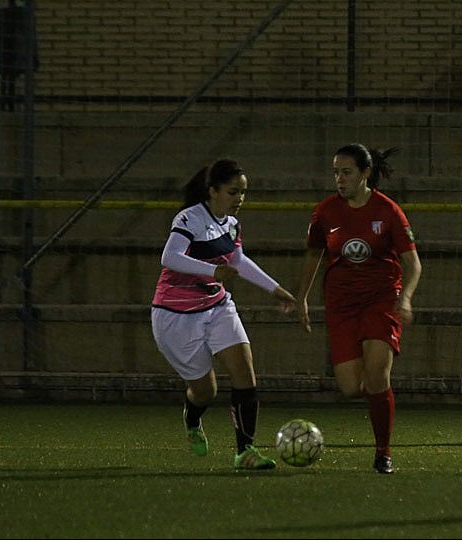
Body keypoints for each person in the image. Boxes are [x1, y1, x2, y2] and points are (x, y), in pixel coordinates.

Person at [151, 158, 296, 470]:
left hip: (217, 307)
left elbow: (238, 262)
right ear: (213, 191)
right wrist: (213, 270)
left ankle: (245, 452)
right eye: (233, 192)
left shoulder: (232, 224)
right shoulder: (190, 218)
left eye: (243, 192)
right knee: (205, 392)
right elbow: (170, 257)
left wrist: (275, 288)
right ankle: (192, 418)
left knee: (245, 371)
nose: (239, 199)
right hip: (175, 314)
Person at [295, 143, 422, 474]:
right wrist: (302, 297)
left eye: (346, 172)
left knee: (378, 376)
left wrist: (405, 297)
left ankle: (383, 452)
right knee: (352, 387)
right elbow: (313, 255)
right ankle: (381, 401)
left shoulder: (388, 211)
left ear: (365, 174)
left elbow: (413, 264)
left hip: (381, 299)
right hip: (341, 304)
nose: (339, 179)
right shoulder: (324, 213)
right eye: (336, 172)